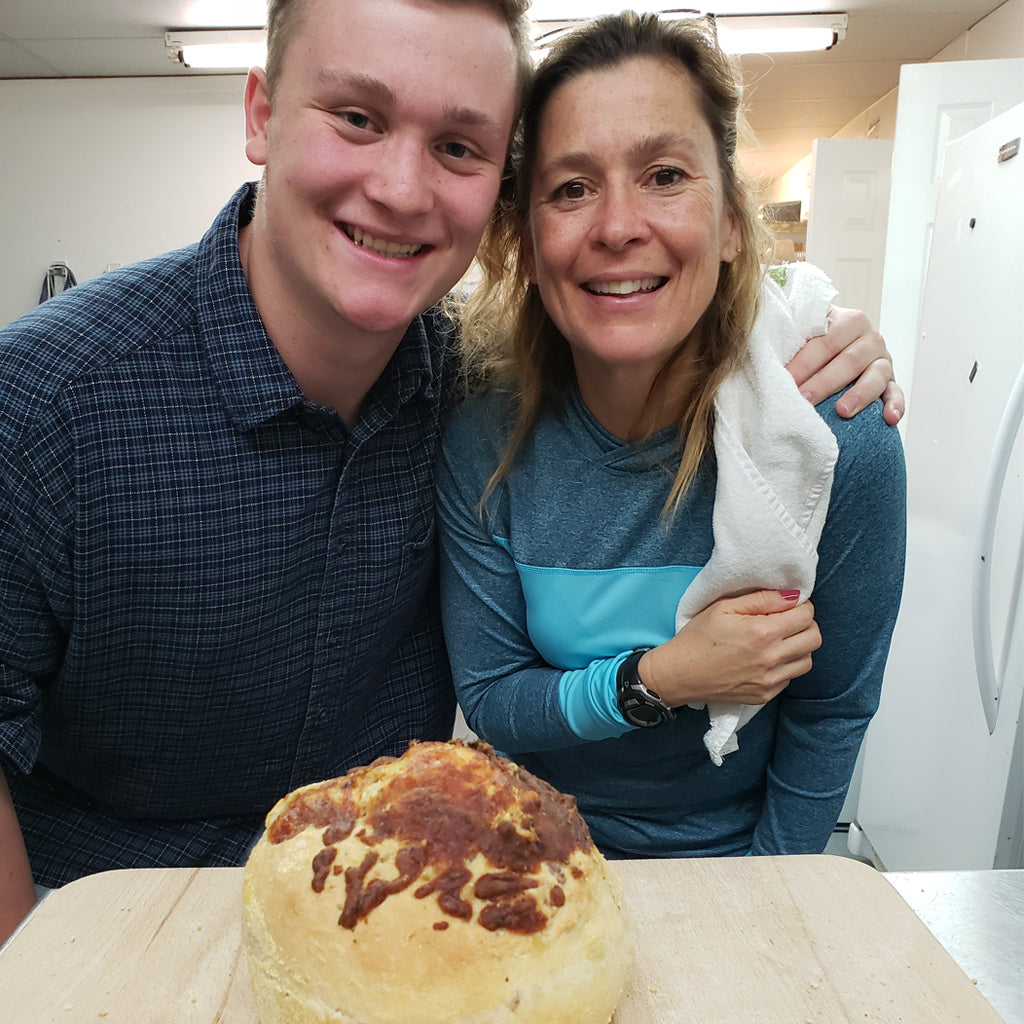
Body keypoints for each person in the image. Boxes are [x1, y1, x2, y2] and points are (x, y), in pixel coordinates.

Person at [0, 0, 898, 943]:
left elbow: (831, 704)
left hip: (396, 902)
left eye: (461, 147)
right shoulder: (45, 404)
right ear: (261, 114)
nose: (399, 188)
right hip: (115, 918)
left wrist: (817, 336)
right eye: (357, 116)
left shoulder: (461, 385)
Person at [436, 11, 906, 859]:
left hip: (742, 858)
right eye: (571, 188)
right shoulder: (481, 438)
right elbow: (496, 697)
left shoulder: (831, 439)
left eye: (663, 174)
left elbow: (831, 711)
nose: (617, 225)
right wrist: (660, 679)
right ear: (530, 244)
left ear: (730, 224)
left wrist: (772, 894)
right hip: (532, 853)